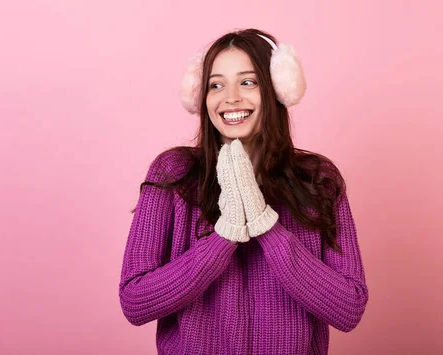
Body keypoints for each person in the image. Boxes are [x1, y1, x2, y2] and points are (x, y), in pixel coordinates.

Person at [118, 28, 368, 355]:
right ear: (201, 98)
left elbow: (349, 308)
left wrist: (265, 225)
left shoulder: (318, 180)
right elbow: (135, 302)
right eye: (216, 85)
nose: (231, 97)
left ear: (277, 89)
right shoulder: (174, 173)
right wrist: (225, 235)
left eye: (247, 82)